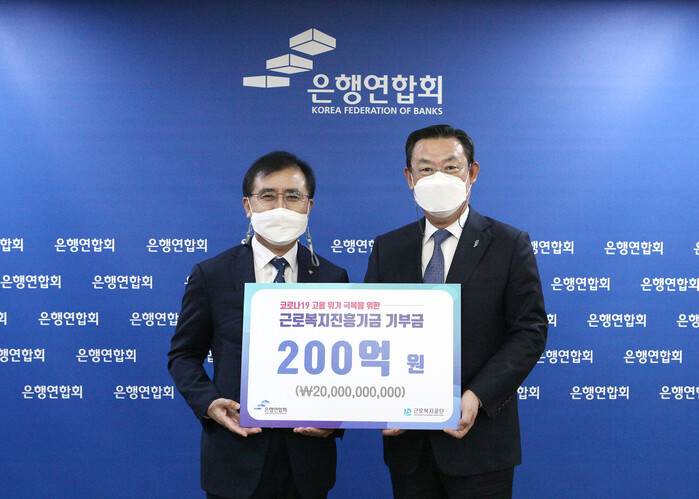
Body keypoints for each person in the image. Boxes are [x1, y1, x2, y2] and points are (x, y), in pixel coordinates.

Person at [364, 125, 548, 498]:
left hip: (482, 443)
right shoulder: (389, 247)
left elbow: (529, 332)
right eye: (426, 169)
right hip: (409, 446)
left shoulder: (509, 243)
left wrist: (477, 395)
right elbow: (370, 331)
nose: (439, 178)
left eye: (450, 167)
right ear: (409, 178)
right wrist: (382, 402)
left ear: (472, 172)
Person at [168, 151, 349, 499]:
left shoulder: (332, 277)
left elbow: (345, 364)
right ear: (248, 206)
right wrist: (209, 403)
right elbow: (184, 355)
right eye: (268, 196)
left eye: (292, 196)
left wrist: (334, 420)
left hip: (307, 460)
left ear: (309, 206)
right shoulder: (212, 274)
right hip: (235, 454)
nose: (280, 207)